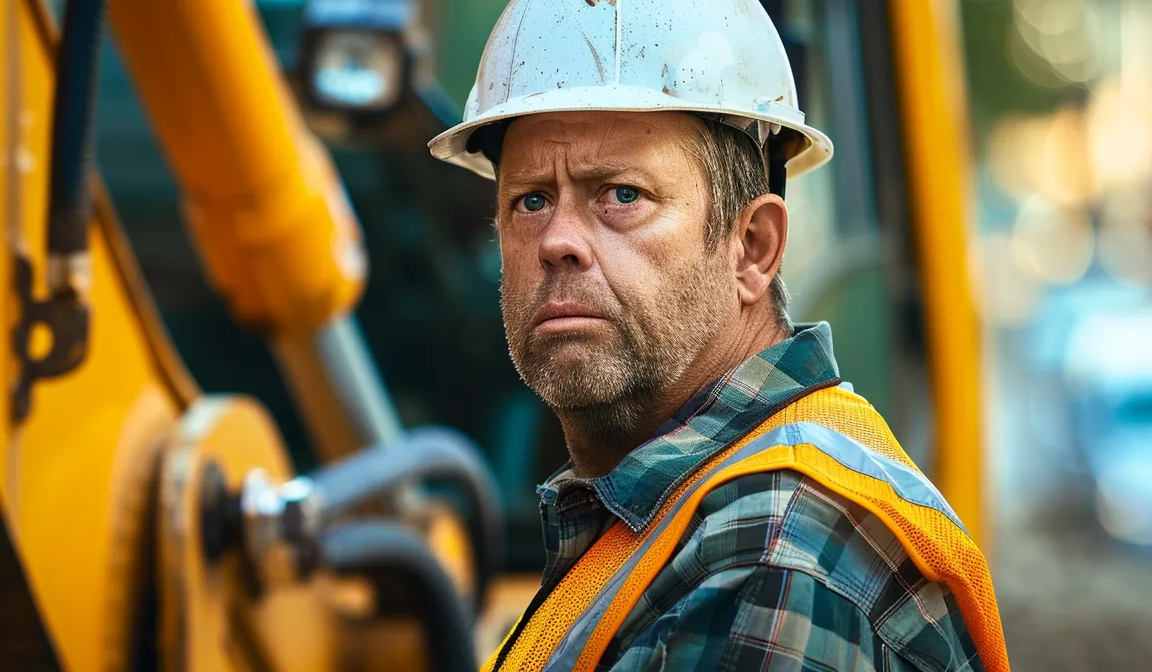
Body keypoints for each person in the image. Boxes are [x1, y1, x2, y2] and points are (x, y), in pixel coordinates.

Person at [426, 1, 1010, 670]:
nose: (558, 241)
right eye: (530, 200)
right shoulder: (664, 519)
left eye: (621, 195)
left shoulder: (773, 551)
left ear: (752, 248)